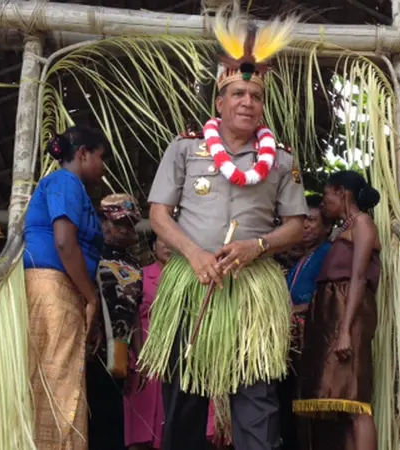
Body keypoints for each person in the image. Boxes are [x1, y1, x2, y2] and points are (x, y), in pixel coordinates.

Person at [138, 7, 307, 450]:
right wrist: (192, 254)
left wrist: (259, 246)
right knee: (184, 404)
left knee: (257, 407)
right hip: (191, 287)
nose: (247, 102)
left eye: (254, 95)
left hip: (252, 293)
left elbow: (297, 226)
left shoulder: (282, 161)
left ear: (263, 103)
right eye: (237, 94)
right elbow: (158, 214)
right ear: (220, 100)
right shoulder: (185, 149)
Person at [23, 126, 106, 450]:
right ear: (83, 153)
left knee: (55, 381)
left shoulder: (72, 188)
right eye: (101, 157)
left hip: (56, 290)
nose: (103, 166)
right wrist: (90, 297)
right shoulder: (65, 182)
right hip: (53, 289)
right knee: (61, 386)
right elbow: (63, 242)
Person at [294, 171, 381, 450]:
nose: (324, 203)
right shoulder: (343, 228)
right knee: (339, 401)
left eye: (328, 195)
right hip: (331, 313)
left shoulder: (364, 223)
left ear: (342, 192)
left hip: (348, 312)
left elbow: (358, 277)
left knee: (355, 400)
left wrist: (345, 330)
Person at [91, 193, 144, 449]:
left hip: (120, 352)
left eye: (130, 224)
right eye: (119, 223)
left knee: (114, 420)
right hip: (91, 349)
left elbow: (133, 312)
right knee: (91, 419)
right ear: (103, 221)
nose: (125, 230)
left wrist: (140, 355)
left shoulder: (134, 263)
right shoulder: (90, 254)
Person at [280, 194, 332, 450]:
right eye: (302, 221)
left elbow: (331, 297)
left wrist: (297, 310)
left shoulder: (329, 253)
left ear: (327, 228)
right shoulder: (298, 263)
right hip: (292, 346)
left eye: (311, 220)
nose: (305, 226)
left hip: (312, 343)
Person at [124, 234, 171, 450]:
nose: (168, 246)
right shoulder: (141, 276)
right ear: (153, 246)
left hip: (172, 361)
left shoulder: (189, 279)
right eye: (163, 241)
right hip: (143, 358)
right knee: (138, 430)